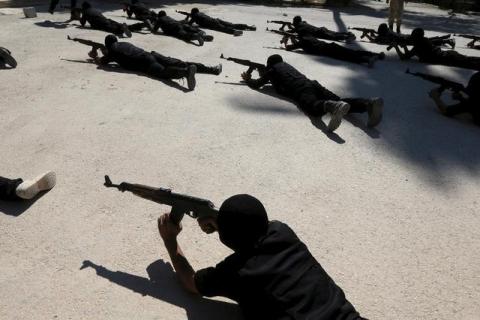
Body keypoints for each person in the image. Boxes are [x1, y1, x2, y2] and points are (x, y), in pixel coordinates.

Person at [158, 194, 368, 320]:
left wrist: (170, 240)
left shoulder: (237, 272)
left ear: (227, 236)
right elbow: (249, 229)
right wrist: (222, 221)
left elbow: (191, 283)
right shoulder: (283, 232)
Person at [240, 54, 383, 132]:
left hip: (300, 89)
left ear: (269, 65)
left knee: (313, 108)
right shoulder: (287, 66)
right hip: (312, 84)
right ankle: (367, 103)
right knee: (341, 100)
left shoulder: (271, 71)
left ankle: (331, 107)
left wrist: (248, 79)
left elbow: (257, 85)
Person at [91, 35, 197, 90]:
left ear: (107, 44)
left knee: (163, 73)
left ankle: (185, 72)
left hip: (144, 64)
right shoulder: (124, 43)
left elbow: (102, 62)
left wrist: (94, 55)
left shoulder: (112, 51)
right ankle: (185, 66)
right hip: (148, 55)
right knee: (166, 63)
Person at [391, 28, 480, 70]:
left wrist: (396, 47)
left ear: (416, 37)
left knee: (470, 64)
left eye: (413, 36)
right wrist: (405, 46)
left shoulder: (419, 45)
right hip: (448, 55)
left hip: (448, 58)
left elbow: (404, 57)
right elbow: (409, 55)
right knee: (469, 60)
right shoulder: (423, 41)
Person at [283, 34, 385, 68]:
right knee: (352, 52)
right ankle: (376, 55)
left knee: (349, 57)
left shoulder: (302, 42)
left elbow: (289, 48)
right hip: (331, 46)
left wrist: (285, 41)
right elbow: (299, 44)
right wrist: (293, 39)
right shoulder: (309, 37)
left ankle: (367, 60)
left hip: (328, 51)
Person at [79, 1, 151, 38]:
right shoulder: (94, 9)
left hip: (102, 24)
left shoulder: (85, 12)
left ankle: (123, 28)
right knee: (123, 26)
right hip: (107, 20)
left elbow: (82, 23)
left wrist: (79, 16)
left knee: (118, 30)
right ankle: (141, 25)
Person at [365, 23, 455, 49]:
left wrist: (367, 36)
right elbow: (378, 37)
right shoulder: (389, 32)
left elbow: (376, 40)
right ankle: (444, 38)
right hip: (406, 37)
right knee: (426, 40)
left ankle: (446, 40)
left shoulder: (386, 35)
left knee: (427, 42)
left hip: (406, 40)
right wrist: (372, 35)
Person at [186, 8, 256, 36]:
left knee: (223, 29)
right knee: (232, 24)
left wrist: (188, 17)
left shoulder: (194, 15)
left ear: (193, 12)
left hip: (211, 24)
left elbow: (189, 24)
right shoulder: (200, 13)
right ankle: (248, 27)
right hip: (216, 20)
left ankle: (234, 32)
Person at [289, 16, 355, 43]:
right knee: (334, 33)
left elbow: (297, 31)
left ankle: (346, 37)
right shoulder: (303, 23)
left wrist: (290, 30)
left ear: (295, 22)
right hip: (321, 29)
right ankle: (348, 34)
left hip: (319, 32)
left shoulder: (299, 26)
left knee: (333, 36)